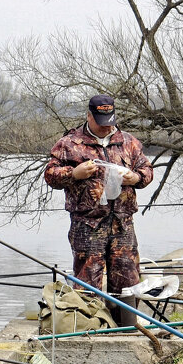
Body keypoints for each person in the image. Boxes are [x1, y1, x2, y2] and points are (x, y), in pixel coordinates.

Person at [44, 94, 155, 301]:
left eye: (110, 122)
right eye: (101, 122)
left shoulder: (128, 142)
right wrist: (73, 174)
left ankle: (125, 326)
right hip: (87, 225)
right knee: (87, 285)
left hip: (123, 224)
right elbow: (50, 175)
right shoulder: (69, 143)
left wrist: (135, 177)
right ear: (89, 116)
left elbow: (147, 171)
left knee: (128, 283)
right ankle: (91, 327)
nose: (106, 127)